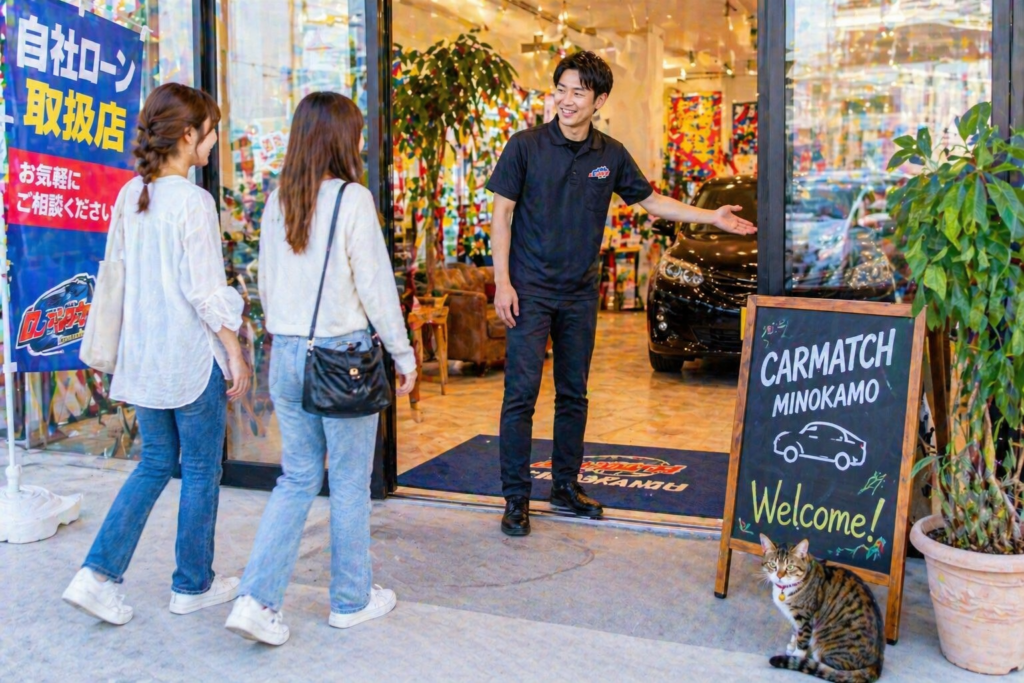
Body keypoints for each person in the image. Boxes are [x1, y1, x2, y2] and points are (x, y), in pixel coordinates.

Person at [487, 52, 756, 536]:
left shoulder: (609, 155)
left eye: (578, 93)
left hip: (579, 294)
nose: (566, 100)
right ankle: (515, 497)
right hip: (529, 291)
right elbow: (501, 215)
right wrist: (502, 282)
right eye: (561, 90)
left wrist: (710, 216)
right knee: (520, 396)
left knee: (573, 394)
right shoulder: (524, 146)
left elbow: (651, 201)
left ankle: (566, 487)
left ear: (599, 100)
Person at [225, 92, 417, 646]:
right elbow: (377, 288)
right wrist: (403, 355)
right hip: (343, 359)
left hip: (286, 353)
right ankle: (351, 600)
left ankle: (256, 598)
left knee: (298, 478)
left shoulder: (276, 202)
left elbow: (263, 286)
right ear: (341, 139)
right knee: (351, 481)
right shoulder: (352, 200)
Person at [62, 83, 251, 624]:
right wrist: (234, 352)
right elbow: (206, 291)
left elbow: (120, 278)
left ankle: (96, 573)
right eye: (211, 132)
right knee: (198, 471)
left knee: (153, 464)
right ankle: (192, 585)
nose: (214, 143)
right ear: (189, 135)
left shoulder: (130, 195)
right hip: (190, 361)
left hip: (143, 359)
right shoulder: (193, 202)